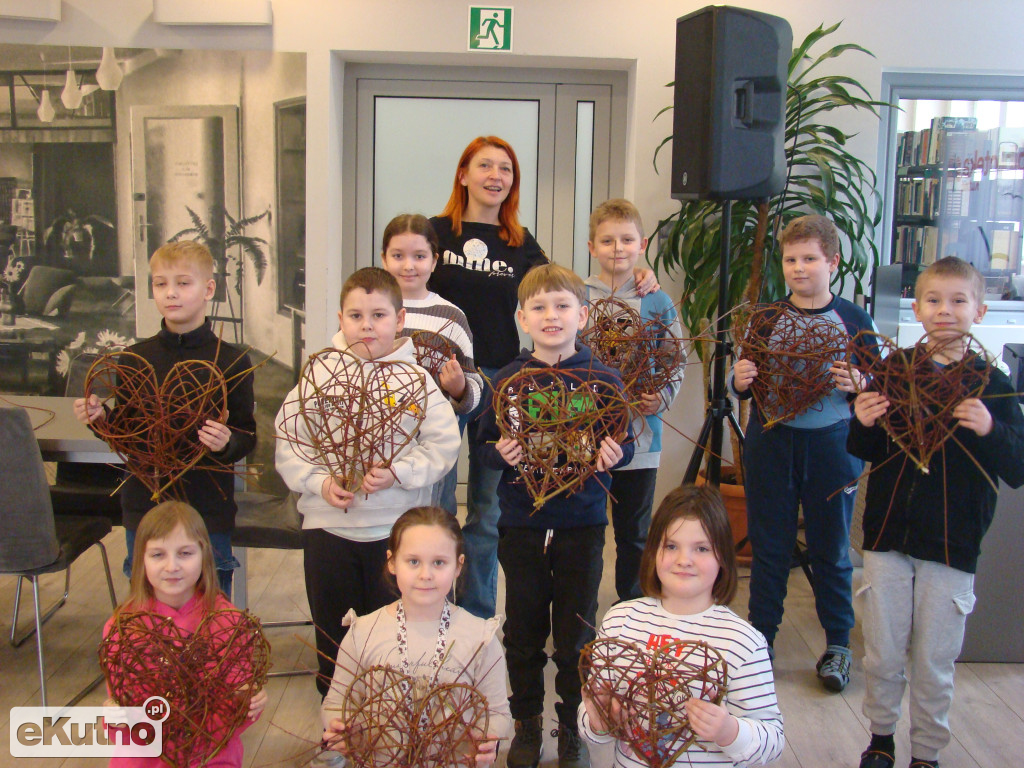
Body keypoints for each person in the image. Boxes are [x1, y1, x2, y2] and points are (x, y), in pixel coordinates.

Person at [848, 256, 1024, 768]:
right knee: (882, 651)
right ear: (917, 308)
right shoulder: (893, 370)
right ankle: (880, 739)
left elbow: (1016, 466)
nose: (945, 310)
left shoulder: (993, 381)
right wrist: (861, 419)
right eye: (933, 300)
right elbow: (866, 447)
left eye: (958, 300)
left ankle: (926, 753)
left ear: (981, 309)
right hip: (886, 537)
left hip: (952, 541)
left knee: (934, 661)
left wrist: (990, 428)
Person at [274, 266, 460, 702]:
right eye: (355, 316)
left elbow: (444, 444)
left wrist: (398, 472)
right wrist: (318, 483)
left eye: (378, 315)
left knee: (391, 636)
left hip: (392, 533)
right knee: (332, 635)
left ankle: (389, 721)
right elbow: (290, 441)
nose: (366, 325)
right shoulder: (319, 377)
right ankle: (335, 721)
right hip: (328, 528)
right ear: (340, 319)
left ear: (398, 321)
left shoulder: (417, 382)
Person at [477, 263, 634, 768]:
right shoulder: (509, 379)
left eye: (562, 306)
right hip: (521, 523)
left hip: (582, 524)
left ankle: (571, 728)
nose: (552, 315)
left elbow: (623, 442)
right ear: (522, 318)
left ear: (582, 315)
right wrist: (499, 455)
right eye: (539, 307)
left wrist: (617, 456)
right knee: (522, 630)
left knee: (575, 633)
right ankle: (526, 725)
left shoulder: (603, 379)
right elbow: (481, 447)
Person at [728, 214, 876, 692]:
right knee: (769, 547)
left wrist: (860, 384)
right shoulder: (767, 317)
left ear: (832, 262)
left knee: (831, 548)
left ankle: (837, 647)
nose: (799, 268)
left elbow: (877, 385)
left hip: (834, 444)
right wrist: (738, 382)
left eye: (810, 259)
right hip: (772, 442)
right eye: (791, 259)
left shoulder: (853, 319)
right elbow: (746, 380)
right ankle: (761, 641)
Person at [74, 240, 256, 597]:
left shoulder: (231, 361)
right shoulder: (134, 358)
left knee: (211, 610)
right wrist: (100, 418)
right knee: (149, 611)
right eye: (160, 284)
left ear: (208, 289)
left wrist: (227, 442)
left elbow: (246, 435)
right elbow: (127, 435)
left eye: (183, 283)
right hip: (146, 507)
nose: (171, 293)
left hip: (206, 509)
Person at [578, 484, 784, 767]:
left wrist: (728, 731)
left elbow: (772, 740)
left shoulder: (742, 641)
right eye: (671, 546)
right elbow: (592, 717)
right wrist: (598, 721)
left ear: (722, 556)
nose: (684, 560)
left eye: (701, 548)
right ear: (652, 552)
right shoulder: (621, 622)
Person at [319, 506, 511, 766]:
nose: (425, 574)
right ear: (392, 562)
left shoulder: (480, 638)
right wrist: (341, 728)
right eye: (413, 561)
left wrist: (489, 738)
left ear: (458, 565)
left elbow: (498, 712)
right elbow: (336, 702)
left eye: (439, 562)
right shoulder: (363, 632)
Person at [101, 501, 268, 767]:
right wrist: (115, 717)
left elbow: (237, 707)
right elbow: (123, 706)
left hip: (210, 753)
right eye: (158, 555)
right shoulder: (123, 628)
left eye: (185, 553)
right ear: (140, 560)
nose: (172, 566)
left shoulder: (228, 623)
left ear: (204, 555)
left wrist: (248, 703)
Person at [583, 198, 685, 601]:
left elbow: (675, 358)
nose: (618, 248)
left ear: (642, 244)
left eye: (627, 239)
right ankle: (583, 609)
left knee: (635, 533)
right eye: (607, 241)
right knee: (588, 531)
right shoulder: (578, 296)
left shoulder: (656, 300)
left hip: (641, 440)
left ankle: (633, 609)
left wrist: (660, 398)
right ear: (592, 247)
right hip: (586, 440)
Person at [380, 213, 484, 515]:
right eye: (398, 255)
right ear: (384, 258)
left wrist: (460, 388)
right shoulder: (371, 308)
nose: (408, 265)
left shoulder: (451, 317)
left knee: (434, 517)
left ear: (435, 260)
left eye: (419, 256)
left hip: (432, 444)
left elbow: (474, 384)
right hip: (379, 441)